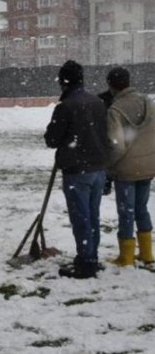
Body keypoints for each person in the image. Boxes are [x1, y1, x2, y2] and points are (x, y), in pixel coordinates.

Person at [44, 60, 109, 279]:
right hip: (98, 168)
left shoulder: (66, 106)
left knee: (81, 218)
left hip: (77, 170)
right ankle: (92, 256)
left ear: (64, 82)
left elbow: (52, 139)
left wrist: (58, 133)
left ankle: (86, 262)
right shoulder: (98, 103)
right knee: (92, 215)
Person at [104, 67, 155, 267]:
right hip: (149, 166)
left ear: (111, 85)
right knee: (142, 208)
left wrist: (108, 166)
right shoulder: (148, 102)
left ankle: (125, 256)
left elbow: (116, 145)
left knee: (126, 211)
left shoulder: (115, 110)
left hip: (126, 169)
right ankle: (147, 252)